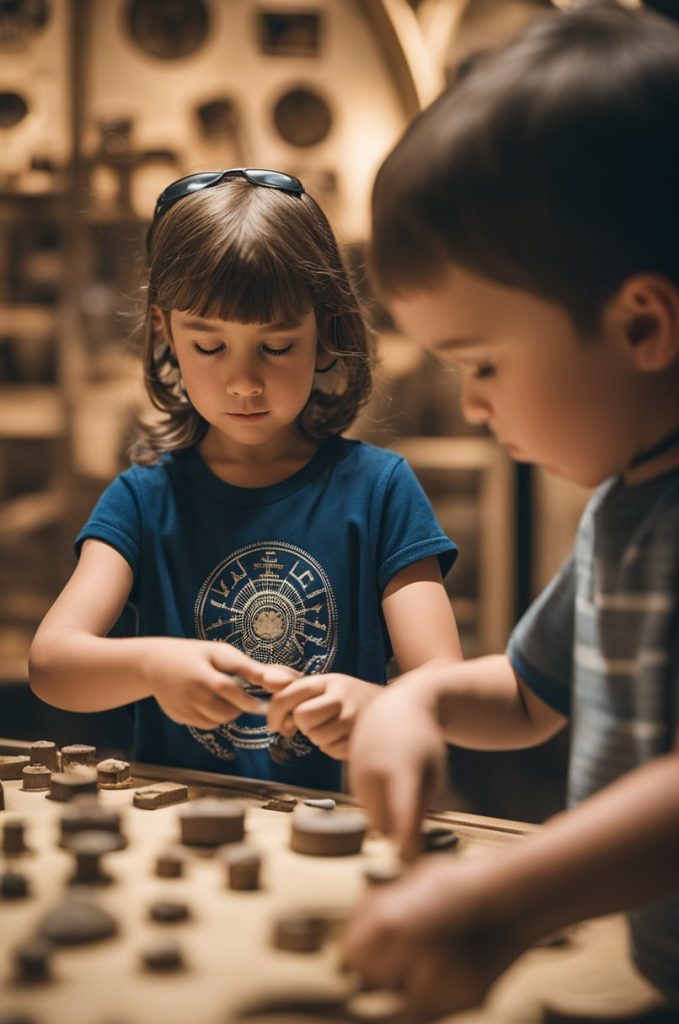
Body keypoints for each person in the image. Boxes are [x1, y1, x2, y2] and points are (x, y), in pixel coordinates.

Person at [339, 4, 679, 1019]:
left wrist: (503, 903)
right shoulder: (627, 506)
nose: (470, 404)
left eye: (483, 362)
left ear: (639, 324)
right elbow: (533, 690)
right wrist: (418, 701)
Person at [29, 167, 462, 791]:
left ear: (327, 333)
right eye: (210, 347)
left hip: (337, 828)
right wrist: (152, 663)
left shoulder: (382, 490)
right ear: (165, 332)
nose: (243, 382)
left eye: (277, 347)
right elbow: (51, 664)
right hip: (176, 830)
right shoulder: (143, 498)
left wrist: (379, 705)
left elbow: (446, 688)